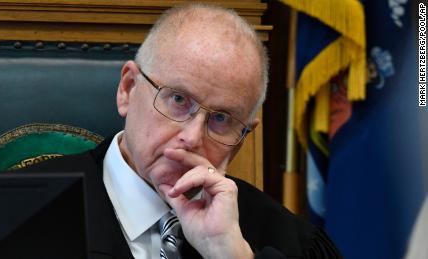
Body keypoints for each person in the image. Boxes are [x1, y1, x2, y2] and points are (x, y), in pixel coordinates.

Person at [21, 3, 342, 259]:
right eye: (178, 99)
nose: (192, 137)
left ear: (243, 138)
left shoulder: (291, 242)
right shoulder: (20, 217)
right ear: (127, 89)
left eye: (221, 119)